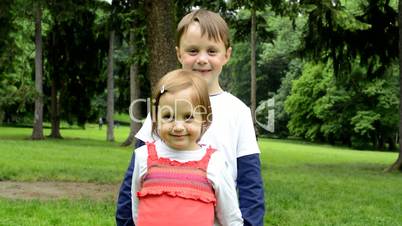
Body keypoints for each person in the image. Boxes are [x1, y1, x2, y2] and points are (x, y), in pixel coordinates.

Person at [117, 9, 265, 226]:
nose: (202, 59)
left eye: (212, 51)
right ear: (179, 54)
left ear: (227, 54)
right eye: (193, 50)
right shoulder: (165, 107)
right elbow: (135, 175)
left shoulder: (238, 111)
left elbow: (250, 182)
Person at [131, 69, 243, 226]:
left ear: (204, 119)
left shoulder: (214, 163)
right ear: (156, 118)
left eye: (188, 117)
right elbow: (137, 209)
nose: (178, 126)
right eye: (168, 116)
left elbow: (231, 218)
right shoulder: (143, 157)